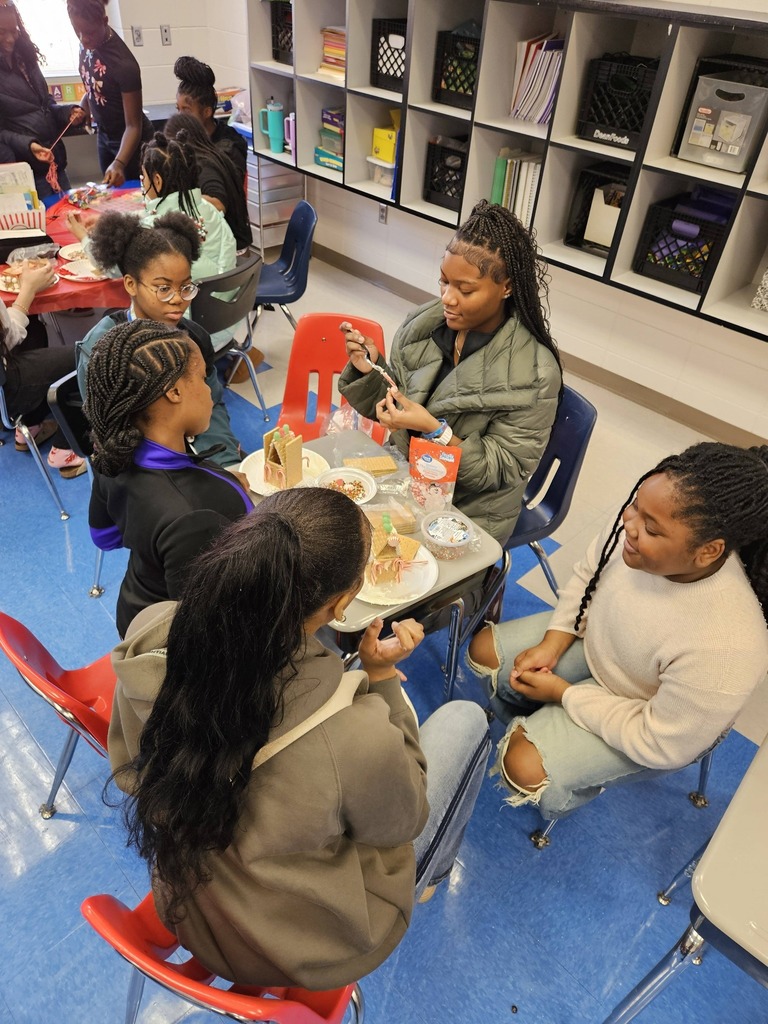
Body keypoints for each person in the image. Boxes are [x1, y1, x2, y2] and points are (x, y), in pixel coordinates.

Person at [108, 487, 491, 988]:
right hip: (297, 950)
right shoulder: (353, 735)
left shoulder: (151, 633)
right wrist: (379, 680)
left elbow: (129, 768)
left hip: (187, 903)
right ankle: (433, 875)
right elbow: (404, 819)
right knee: (467, 719)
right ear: (341, 603)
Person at [467, 442, 768, 821]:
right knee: (485, 651)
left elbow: (659, 741)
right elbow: (588, 573)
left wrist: (564, 694)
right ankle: (536, 719)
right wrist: (555, 639)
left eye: (651, 529)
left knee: (523, 765)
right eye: (635, 506)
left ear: (708, 552)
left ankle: (559, 798)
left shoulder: (728, 647)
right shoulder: (642, 521)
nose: (629, 523)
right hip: (601, 651)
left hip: (647, 722)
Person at [339, 200, 562, 544]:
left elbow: (504, 469)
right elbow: (393, 400)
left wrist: (434, 431)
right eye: (444, 282)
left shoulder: (534, 372)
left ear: (507, 287)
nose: (447, 298)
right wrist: (370, 369)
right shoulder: (422, 324)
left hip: (469, 509)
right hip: (407, 477)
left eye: (465, 289)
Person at [84, 318, 253, 638]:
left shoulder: (112, 453)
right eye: (203, 379)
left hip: (136, 615)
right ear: (174, 391)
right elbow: (208, 629)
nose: (209, 392)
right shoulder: (197, 512)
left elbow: (104, 537)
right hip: (169, 649)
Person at [75, 209, 242, 468]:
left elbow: (212, 403)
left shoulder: (194, 337)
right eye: (163, 288)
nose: (178, 299)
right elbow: (106, 434)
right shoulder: (100, 353)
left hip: (188, 451)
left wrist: (225, 463)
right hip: (136, 468)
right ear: (131, 285)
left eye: (185, 286)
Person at [67, 131, 237, 283]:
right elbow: (153, 215)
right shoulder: (208, 208)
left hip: (180, 311)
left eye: (144, 177)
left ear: (157, 181)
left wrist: (82, 236)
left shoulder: (150, 232)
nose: (143, 182)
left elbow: (111, 268)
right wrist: (116, 220)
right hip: (225, 309)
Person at [0, 260, 85, 476]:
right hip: (6, 383)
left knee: (34, 328)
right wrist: (28, 290)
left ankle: (30, 424)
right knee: (87, 357)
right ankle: (66, 449)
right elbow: (7, 337)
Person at [0, 0, 87, 199]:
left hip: (54, 163)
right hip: (25, 172)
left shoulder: (26, 60)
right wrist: (29, 145)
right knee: (45, 227)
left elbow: (45, 104)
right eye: (1, 32)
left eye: (14, 31)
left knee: (68, 222)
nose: (10, 39)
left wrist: (68, 113)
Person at [66, 0, 153, 186]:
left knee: (134, 202)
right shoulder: (87, 45)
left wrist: (119, 163)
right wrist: (84, 106)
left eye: (89, 32)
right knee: (110, 197)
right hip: (104, 136)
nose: (83, 39)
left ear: (104, 21)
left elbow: (133, 126)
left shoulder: (124, 65)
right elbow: (94, 84)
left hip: (130, 143)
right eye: (77, 31)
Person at [164, 112, 251, 251]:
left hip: (231, 250)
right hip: (227, 243)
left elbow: (219, 203)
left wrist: (180, 200)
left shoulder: (203, 165)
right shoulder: (209, 155)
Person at [173, 55, 247, 176]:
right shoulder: (182, 141)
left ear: (207, 112)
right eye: (178, 109)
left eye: (186, 111)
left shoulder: (229, 149)